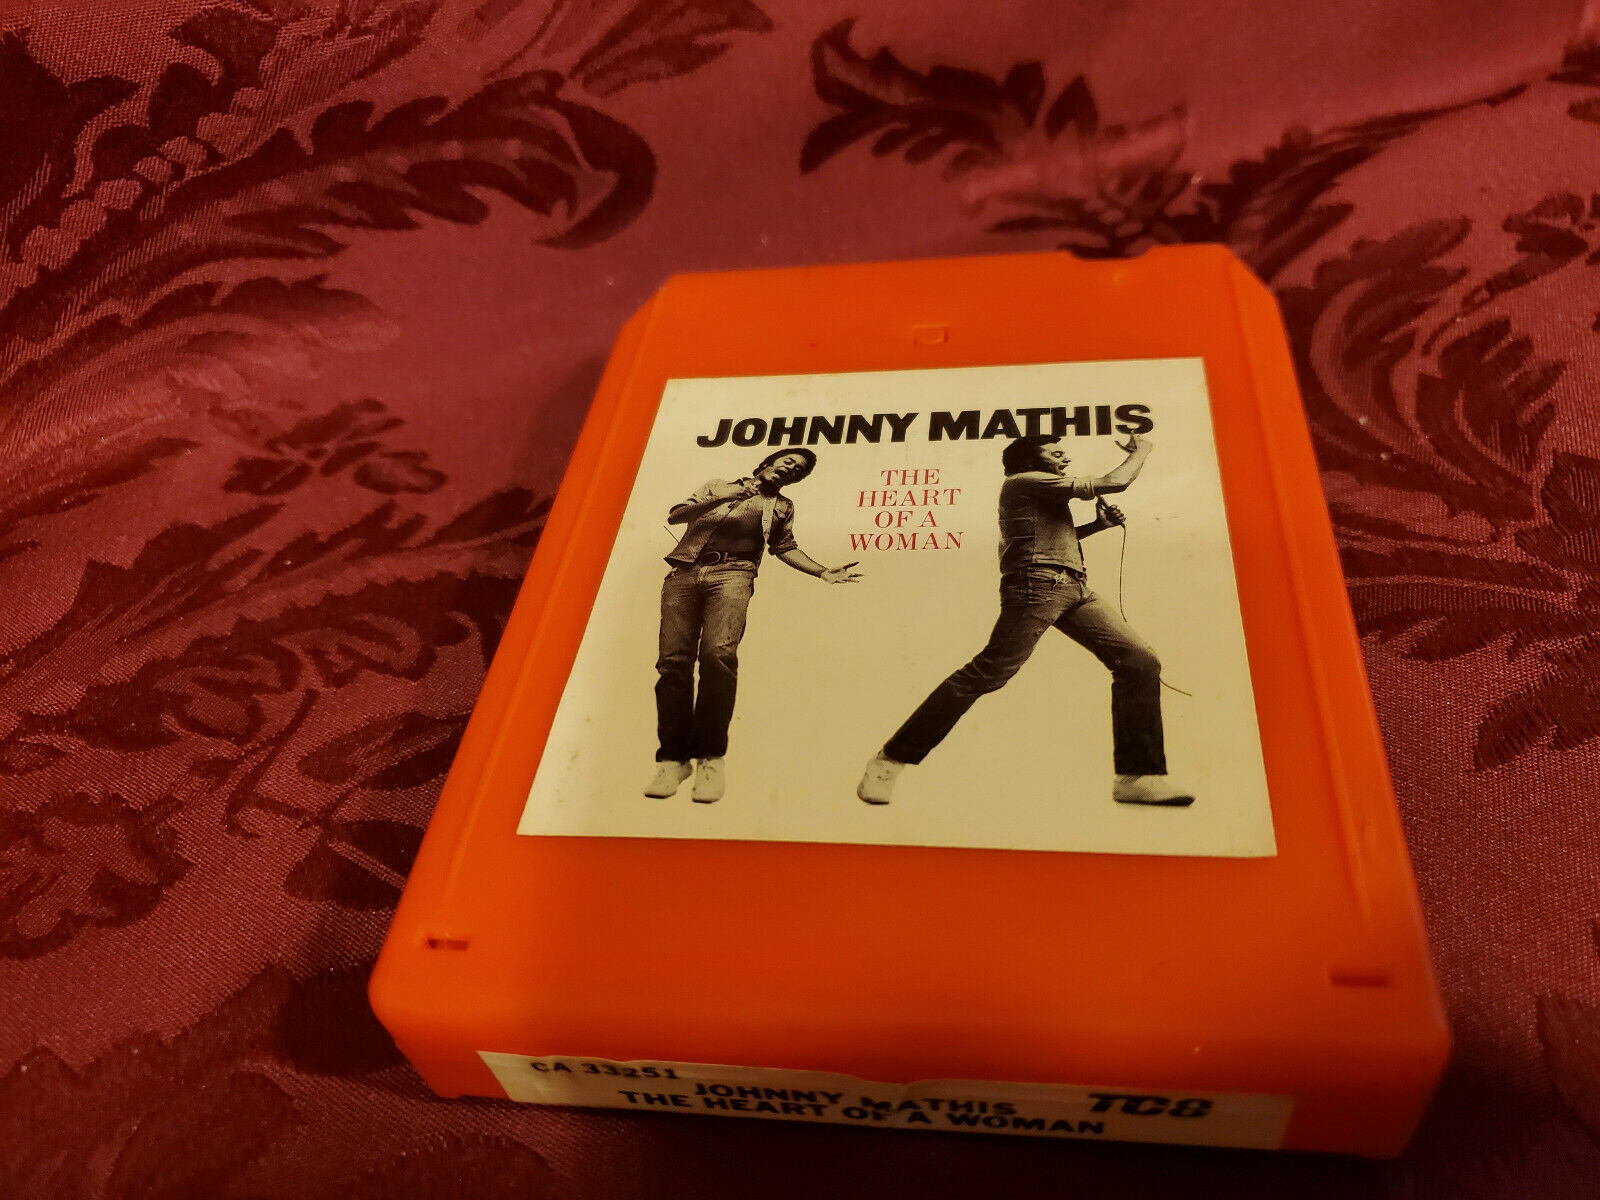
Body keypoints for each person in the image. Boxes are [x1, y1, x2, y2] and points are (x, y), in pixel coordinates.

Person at [856, 433, 1192, 807]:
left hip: (1074, 587)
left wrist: (1097, 526)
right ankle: (889, 761)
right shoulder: (1024, 481)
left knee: (1139, 661)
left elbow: (1043, 539)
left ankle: (1137, 777)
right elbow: (1117, 481)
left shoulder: (1036, 493)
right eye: (1054, 451)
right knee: (988, 674)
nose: (1064, 456)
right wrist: (1142, 449)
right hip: (1037, 586)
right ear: (1030, 459)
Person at [648, 448, 862, 802]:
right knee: (673, 663)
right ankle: (673, 761)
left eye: (798, 470)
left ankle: (709, 758)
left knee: (718, 656)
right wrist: (733, 493)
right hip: (682, 576)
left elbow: (784, 547)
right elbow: (677, 515)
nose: (791, 468)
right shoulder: (718, 485)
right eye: (788, 461)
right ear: (767, 463)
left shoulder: (781, 506)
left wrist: (822, 571)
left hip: (733, 574)